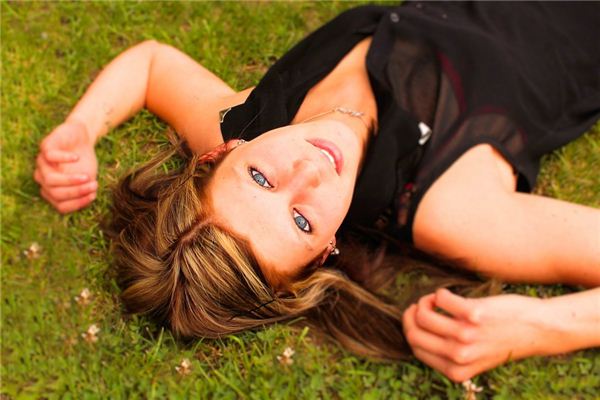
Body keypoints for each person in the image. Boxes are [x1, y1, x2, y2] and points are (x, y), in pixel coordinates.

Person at [34, 3, 599, 382]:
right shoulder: (446, 208)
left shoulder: (247, 123)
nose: (308, 173)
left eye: (261, 178)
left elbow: (152, 65)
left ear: (221, 154)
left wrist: (81, 129)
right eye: (301, 221)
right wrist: (539, 328)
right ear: (325, 253)